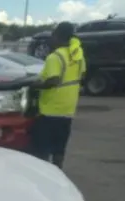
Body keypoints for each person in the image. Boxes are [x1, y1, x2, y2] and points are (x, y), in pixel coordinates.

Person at [30, 22, 86, 169]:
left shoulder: (55, 57)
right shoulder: (78, 55)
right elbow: (81, 75)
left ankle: (43, 174)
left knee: (41, 148)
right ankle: (58, 173)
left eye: (53, 35)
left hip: (50, 110)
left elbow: (53, 81)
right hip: (68, 109)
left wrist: (34, 85)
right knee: (59, 148)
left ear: (58, 36)